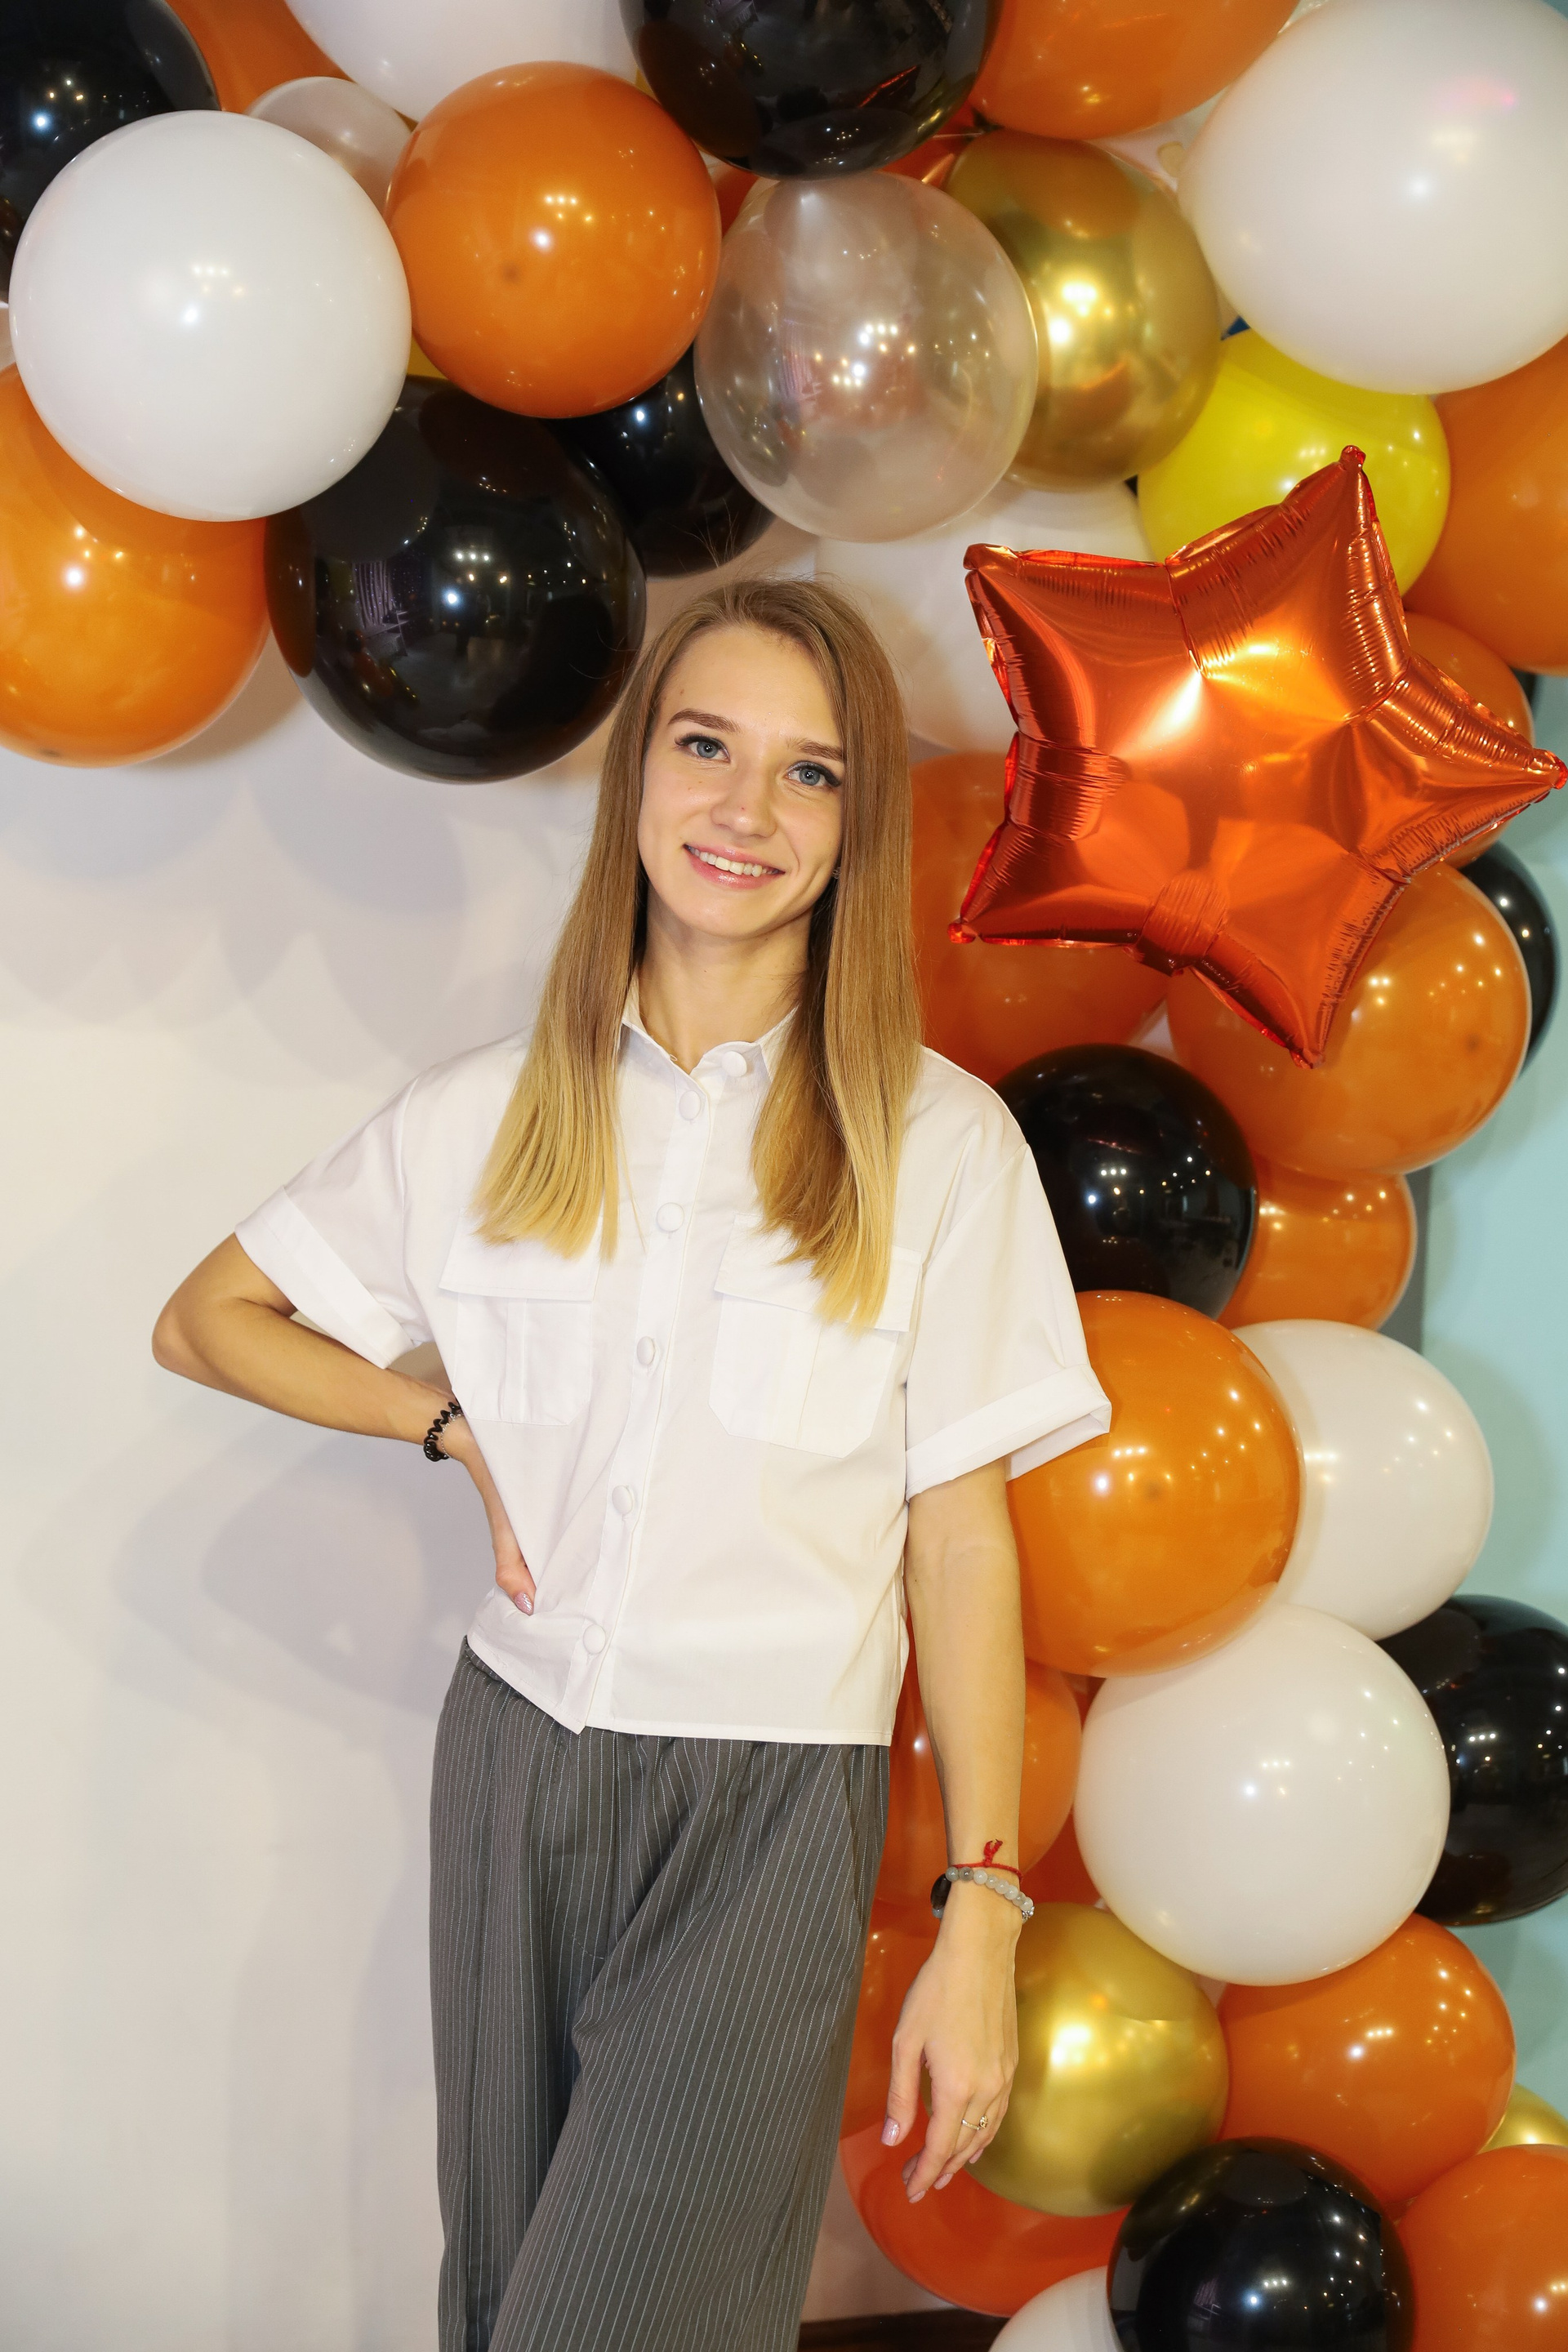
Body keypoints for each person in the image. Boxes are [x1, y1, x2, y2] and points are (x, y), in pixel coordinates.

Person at [153, 577, 1109, 2352]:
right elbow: (209, 1318)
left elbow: (962, 1545)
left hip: (770, 1812)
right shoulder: (486, 1112)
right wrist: (443, 1425)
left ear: (858, 824)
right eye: (706, 745)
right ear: (638, 779)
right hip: (514, 1762)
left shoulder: (943, 1146)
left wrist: (983, 1916)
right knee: (504, 2293)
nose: (747, 809)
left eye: (812, 773)